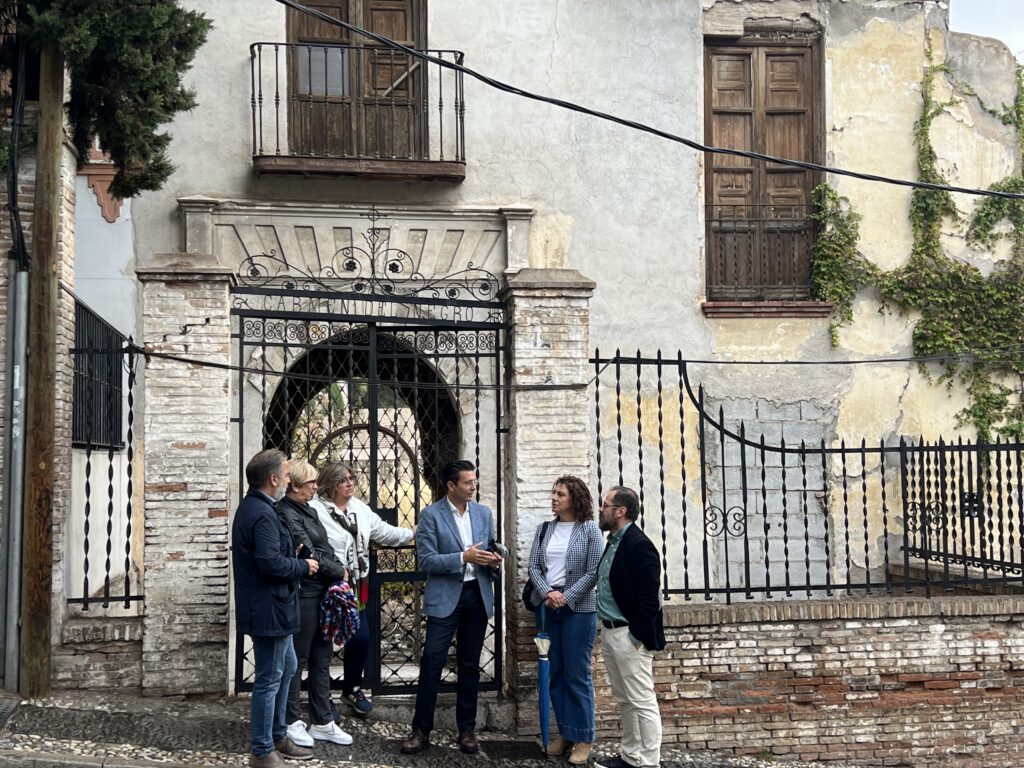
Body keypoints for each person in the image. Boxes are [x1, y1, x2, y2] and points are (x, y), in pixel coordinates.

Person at [400, 460, 504, 755]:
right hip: (445, 597)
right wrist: (463, 557)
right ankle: (420, 730)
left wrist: (493, 561)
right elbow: (427, 560)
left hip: (477, 594)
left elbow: (491, 548)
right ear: (451, 486)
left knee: (469, 664)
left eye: (474, 481)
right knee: (432, 662)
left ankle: (467, 730)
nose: (474, 487)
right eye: (468, 482)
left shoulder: (484, 513)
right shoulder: (431, 515)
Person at [232, 449, 319, 768]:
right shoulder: (260, 512)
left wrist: (289, 551)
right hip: (269, 609)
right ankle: (261, 750)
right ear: (272, 479)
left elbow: (268, 553)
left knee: (290, 667)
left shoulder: (260, 507)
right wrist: (301, 565)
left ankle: (278, 735)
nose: (287, 479)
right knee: (269, 678)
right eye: (285, 474)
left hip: (275, 607)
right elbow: (269, 564)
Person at [310, 462, 414, 717]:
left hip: (355, 585)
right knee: (321, 643)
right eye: (343, 480)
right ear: (330, 484)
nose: (349, 483)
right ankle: (322, 700)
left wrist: (415, 532)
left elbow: (384, 533)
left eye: (351, 478)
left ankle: (351, 688)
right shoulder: (315, 510)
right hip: (326, 584)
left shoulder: (360, 509)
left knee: (361, 638)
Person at [526, 475, 604, 765]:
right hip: (547, 607)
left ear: (575, 499)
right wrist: (548, 593)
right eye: (553, 493)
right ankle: (565, 734)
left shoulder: (590, 530)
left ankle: (584, 737)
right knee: (554, 673)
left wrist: (566, 597)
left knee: (577, 674)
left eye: (560, 494)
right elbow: (533, 566)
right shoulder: (544, 529)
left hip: (579, 609)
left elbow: (594, 571)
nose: (554, 498)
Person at [277, 458, 354, 748]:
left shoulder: (308, 509)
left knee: (322, 658)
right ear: (294, 485)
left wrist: (339, 571)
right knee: (298, 659)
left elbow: (324, 548)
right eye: (310, 482)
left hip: (323, 590)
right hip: (305, 592)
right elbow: (307, 552)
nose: (315, 486)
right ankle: (291, 720)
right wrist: (339, 570)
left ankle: (323, 720)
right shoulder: (286, 512)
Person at [593, 486, 665, 768]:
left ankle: (648, 763)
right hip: (611, 633)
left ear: (620, 511)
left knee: (642, 700)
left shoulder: (639, 545)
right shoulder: (614, 541)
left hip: (628, 635)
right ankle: (630, 757)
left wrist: (635, 637)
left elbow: (651, 598)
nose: (601, 509)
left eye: (606, 504)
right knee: (625, 700)